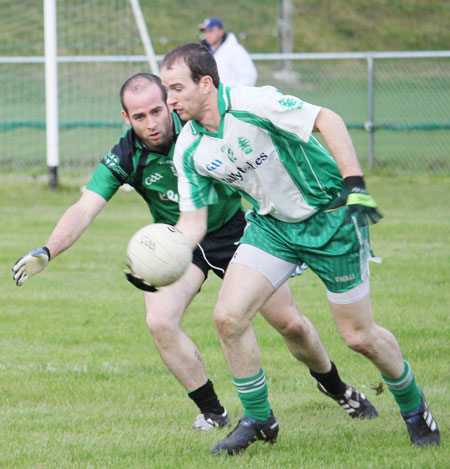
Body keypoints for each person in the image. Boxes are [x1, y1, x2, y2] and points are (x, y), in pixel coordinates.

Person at [12, 73, 378, 433]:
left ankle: (335, 386)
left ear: (169, 103)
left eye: (156, 111)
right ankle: (213, 412)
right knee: (159, 321)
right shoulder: (126, 155)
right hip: (178, 247)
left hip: (237, 234)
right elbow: (84, 208)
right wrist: (48, 249)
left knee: (290, 324)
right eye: (139, 117)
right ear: (127, 119)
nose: (151, 123)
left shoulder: (198, 130)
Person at [159, 43, 440, 454]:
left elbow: (328, 118)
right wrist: (163, 257)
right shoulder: (189, 148)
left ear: (206, 84)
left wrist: (354, 184)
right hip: (273, 227)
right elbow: (193, 222)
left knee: (359, 336)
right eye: (167, 89)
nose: (170, 99)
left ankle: (414, 407)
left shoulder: (254, 103)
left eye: (177, 88)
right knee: (228, 317)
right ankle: (259, 417)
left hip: (329, 217)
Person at [198, 17, 257, 86]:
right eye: (205, 31)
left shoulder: (235, 50)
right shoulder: (201, 52)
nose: (208, 35)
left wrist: (232, 94)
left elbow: (249, 77)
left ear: (221, 32)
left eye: (211, 31)